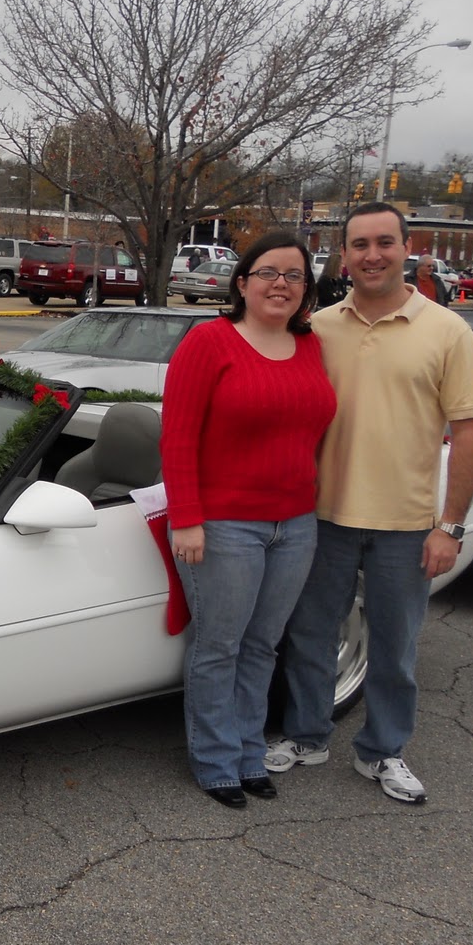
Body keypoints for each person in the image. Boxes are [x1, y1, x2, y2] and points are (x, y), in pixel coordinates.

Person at [266, 202, 473, 804]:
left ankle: (384, 751)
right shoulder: (318, 328)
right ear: (343, 254)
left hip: (406, 525)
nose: (372, 255)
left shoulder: (447, 331)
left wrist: (450, 528)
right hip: (322, 519)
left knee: (393, 648)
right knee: (310, 638)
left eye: (384, 242)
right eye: (359, 244)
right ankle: (307, 736)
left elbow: (468, 435)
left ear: (406, 247)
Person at [162, 231, 336, 808]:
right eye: (268, 272)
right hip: (223, 524)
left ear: (306, 290)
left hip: (296, 524)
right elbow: (178, 436)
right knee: (221, 644)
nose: (280, 284)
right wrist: (187, 517)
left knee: (263, 646)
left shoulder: (310, 346)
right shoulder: (210, 342)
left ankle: (246, 752)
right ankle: (215, 762)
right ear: (242, 282)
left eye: (293, 275)